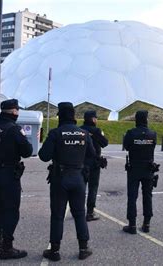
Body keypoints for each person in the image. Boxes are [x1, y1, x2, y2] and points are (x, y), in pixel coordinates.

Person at [38, 102, 96, 261]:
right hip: (78, 177)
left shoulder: (56, 133)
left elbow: (44, 156)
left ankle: (54, 251)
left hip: (60, 178)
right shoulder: (84, 134)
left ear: (60, 116)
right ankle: (83, 248)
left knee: (57, 215)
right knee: (79, 214)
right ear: (74, 116)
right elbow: (92, 155)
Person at [0, 99, 33, 260]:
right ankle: (7, 247)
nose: (18, 113)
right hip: (8, 173)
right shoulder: (14, 129)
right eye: (17, 110)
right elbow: (27, 151)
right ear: (14, 112)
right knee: (11, 210)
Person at [122, 110, 157, 234]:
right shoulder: (153, 134)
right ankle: (146, 224)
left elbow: (126, 146)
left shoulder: (131, 133)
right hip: (148, 168)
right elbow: (153, 146)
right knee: (147, 196)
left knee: (132, 197)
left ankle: (132, 225)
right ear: (146, 120)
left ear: (136, 119)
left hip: (134, 168)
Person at [80, 111, 109, 221]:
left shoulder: (79, 129)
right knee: (93, 188)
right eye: (95, 118)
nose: (96, 120)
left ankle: (78, 211)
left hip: (81, 163)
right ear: (92, 119)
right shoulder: (97, 131)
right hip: (94, 164)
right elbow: (105, 143)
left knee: (81, 188)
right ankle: (90, 213)